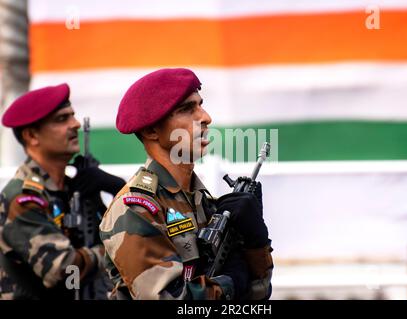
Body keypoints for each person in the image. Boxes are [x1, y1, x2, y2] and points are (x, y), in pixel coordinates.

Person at [99, 68, 273, 300]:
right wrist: (230, 283)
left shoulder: (205, 204)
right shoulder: (136, 209)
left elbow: (257, 295)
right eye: (187, 109)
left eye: (200, 105)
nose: (205, 117)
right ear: (151, 130)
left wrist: (256, 241)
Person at [0, 83, 125, 299]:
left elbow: (129, 228)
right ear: (32, 136)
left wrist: (118, 188)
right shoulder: (23, 198)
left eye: (73, 116)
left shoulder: (70, 189)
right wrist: (117, 249)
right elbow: (64, 269)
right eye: (62, 119)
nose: (75, 124)